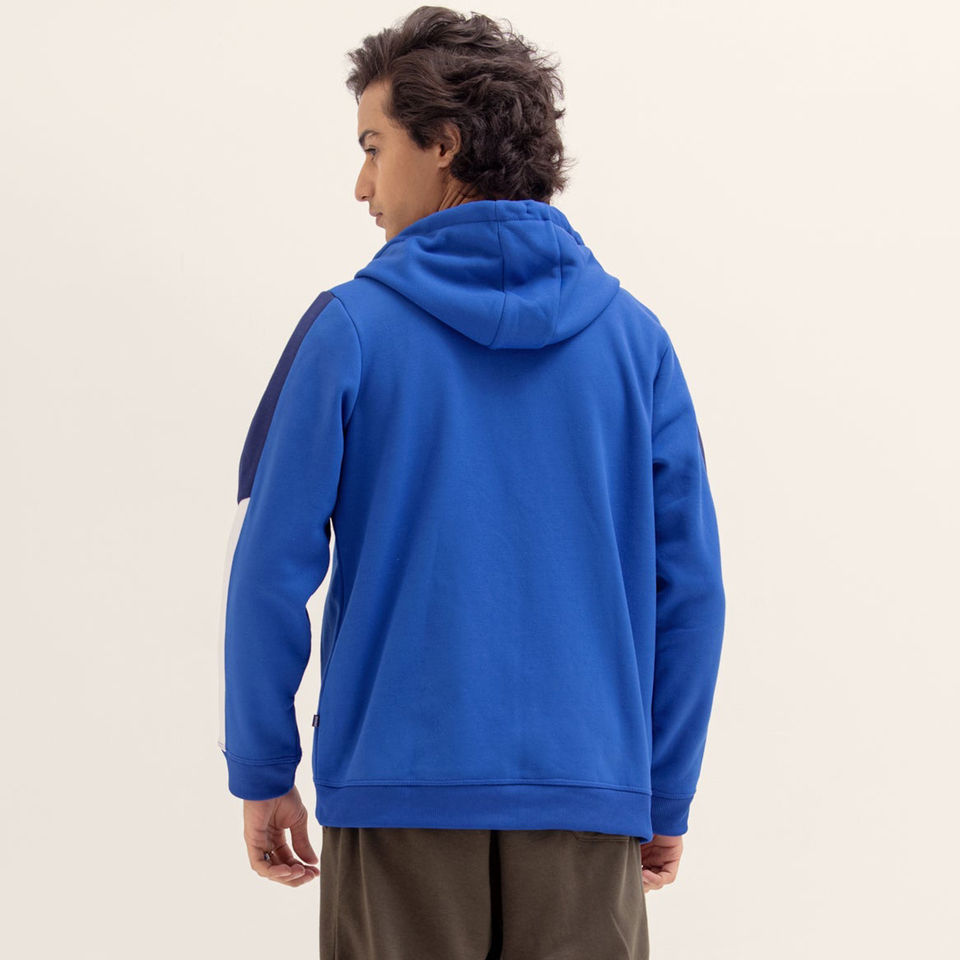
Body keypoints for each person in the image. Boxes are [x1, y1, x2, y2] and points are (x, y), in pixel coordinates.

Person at [217, 7, 725, 958]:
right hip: (588, 794)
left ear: (443, 144)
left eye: (374, 148)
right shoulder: (635, 342)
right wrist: (664, 786)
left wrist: (263, 766)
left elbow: (270, 569)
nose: (362, 184)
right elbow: (690, 587)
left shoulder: (348, 330)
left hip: (395, 792)